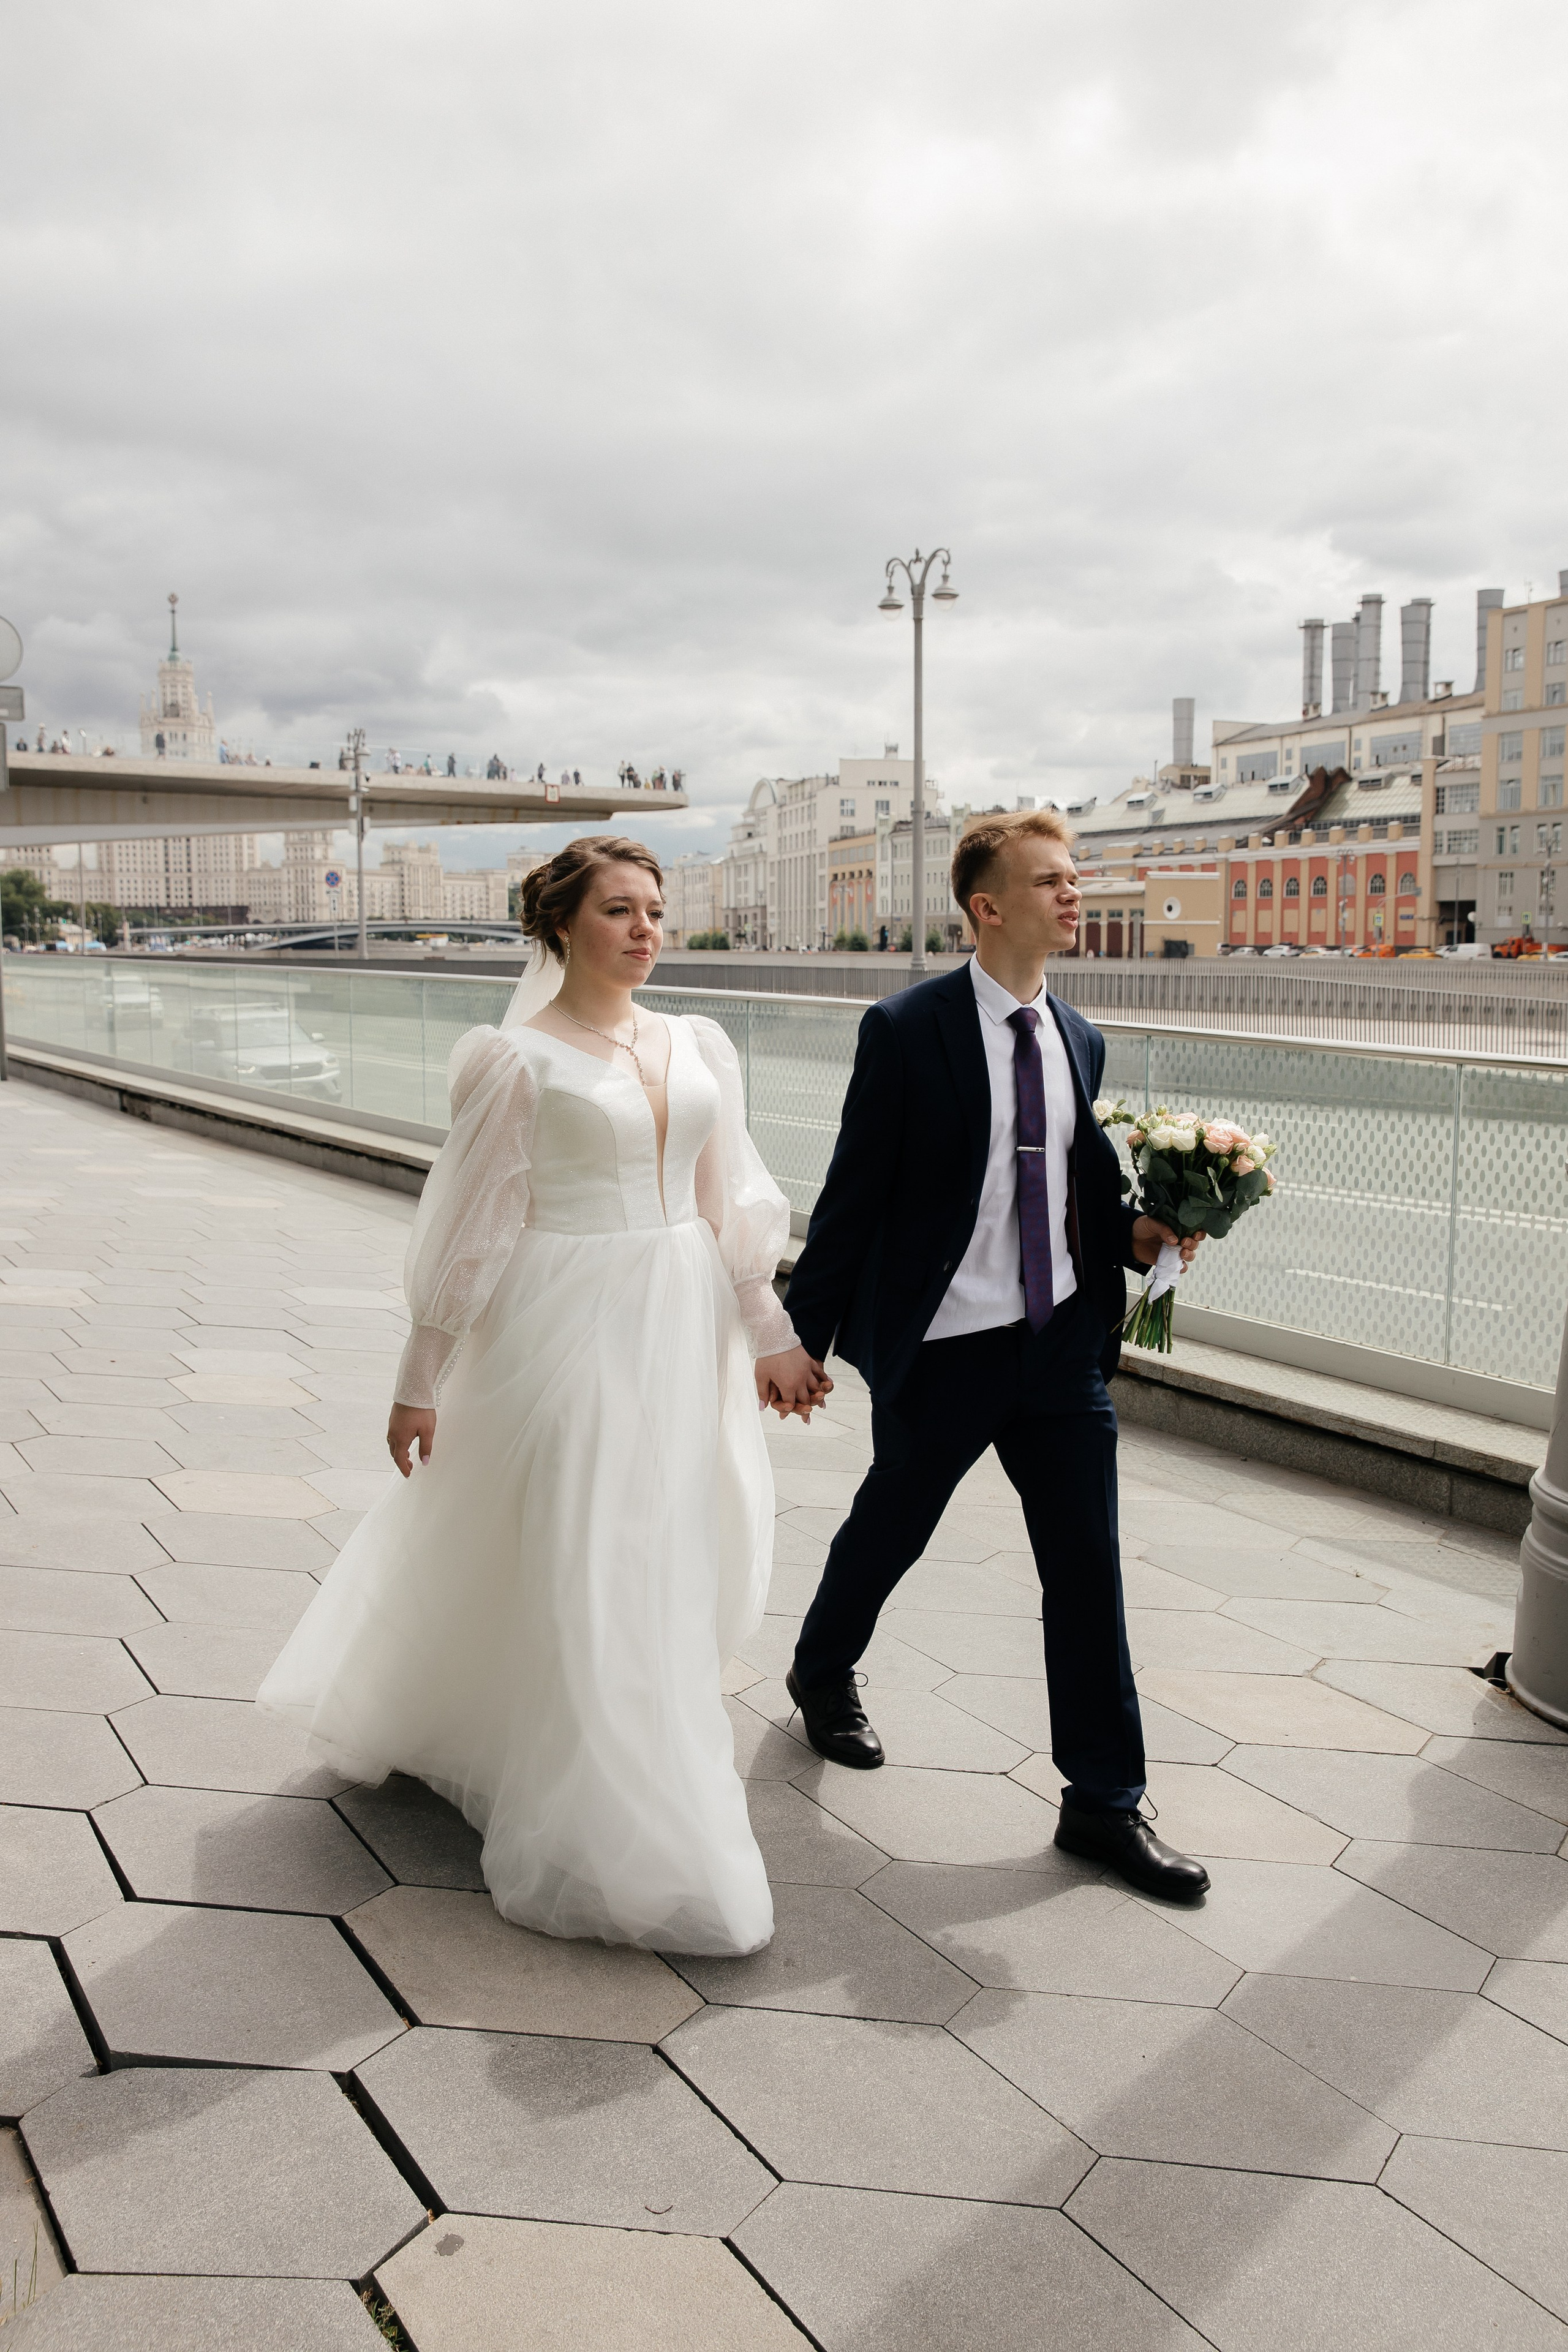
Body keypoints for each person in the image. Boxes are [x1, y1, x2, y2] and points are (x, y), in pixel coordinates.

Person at [258, 836, 826, 1955]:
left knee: (663, 1538)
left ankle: (541, 1723)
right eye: (620, 910)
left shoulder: (696, 1041)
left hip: (681, 1320)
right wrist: (419, 1383)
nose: (647, 929)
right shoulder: (514, 1060)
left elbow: (728, 1198)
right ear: (560, 926)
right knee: (591, 1544)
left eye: (656, 909)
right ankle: (614, 1806)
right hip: (565, 1319)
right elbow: (473, 1229)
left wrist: (771, 1334)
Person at [782, 809, 1210, 1902]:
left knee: (1086, 1569)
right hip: (949, 1343)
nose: (1073, 894)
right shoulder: (907, 1029)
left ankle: (1104, 1804)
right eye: (1051, 880)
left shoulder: (1078, 1035)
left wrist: (1144, 1234)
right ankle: (822, 1674)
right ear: (989, 906)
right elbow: (852, 1199)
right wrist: (803, 1340)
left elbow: (1084, 1194)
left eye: (1074, 878)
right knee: (895, 1525)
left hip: (1061, 1343)